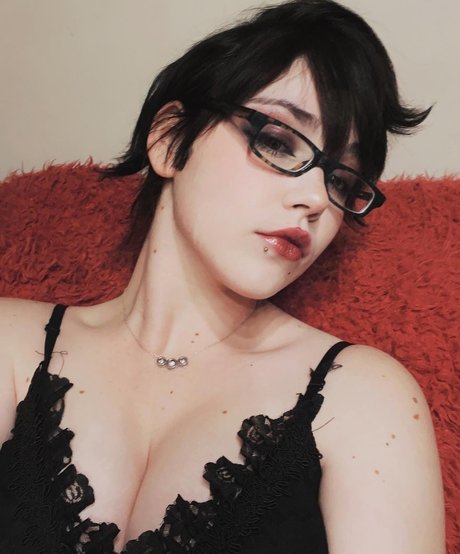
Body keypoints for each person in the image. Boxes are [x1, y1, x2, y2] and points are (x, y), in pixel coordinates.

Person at [0, 1, 445, 552]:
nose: (314, 199)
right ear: (170, 141)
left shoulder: (363, 396)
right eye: (277, 141)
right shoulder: (12, 345)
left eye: (342, 180)